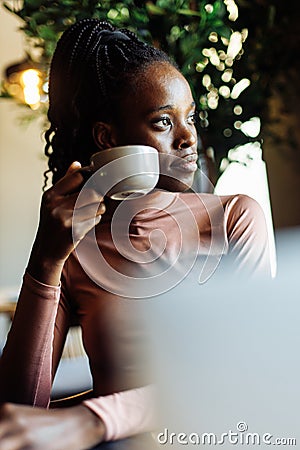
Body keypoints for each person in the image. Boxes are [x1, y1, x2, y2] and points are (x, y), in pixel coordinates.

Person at [0, 18, 271, 450]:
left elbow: (251, 372)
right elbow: (18, 408)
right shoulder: (74, 250)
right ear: (108, 138)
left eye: (191, 118)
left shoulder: (235, 217)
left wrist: (94, 419)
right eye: (163, 122)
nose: (188, 139)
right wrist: (45, 262)